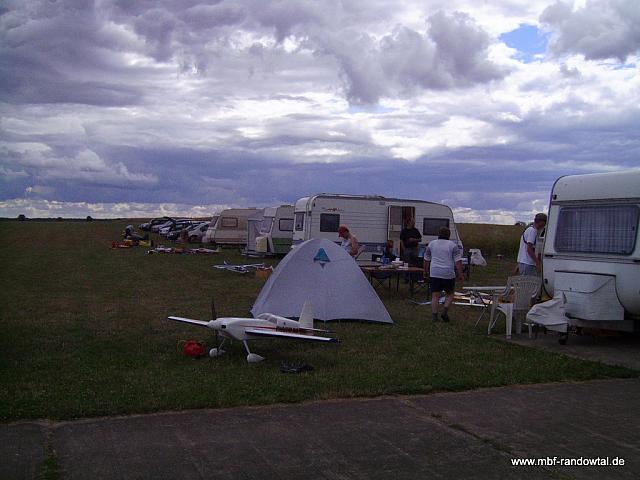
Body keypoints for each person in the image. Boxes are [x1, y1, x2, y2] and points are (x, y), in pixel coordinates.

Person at [423, 226, 464, 322]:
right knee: (450, 293)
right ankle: (445, 311)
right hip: (448, 273)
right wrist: (460, 274)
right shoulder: (453, 245)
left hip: (435, 272)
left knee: (435, 295)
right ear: (449, 235)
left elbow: (426, 259)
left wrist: (425, 271)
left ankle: (434, 316)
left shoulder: (431, 244)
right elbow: (458, 261)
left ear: (438, 234)